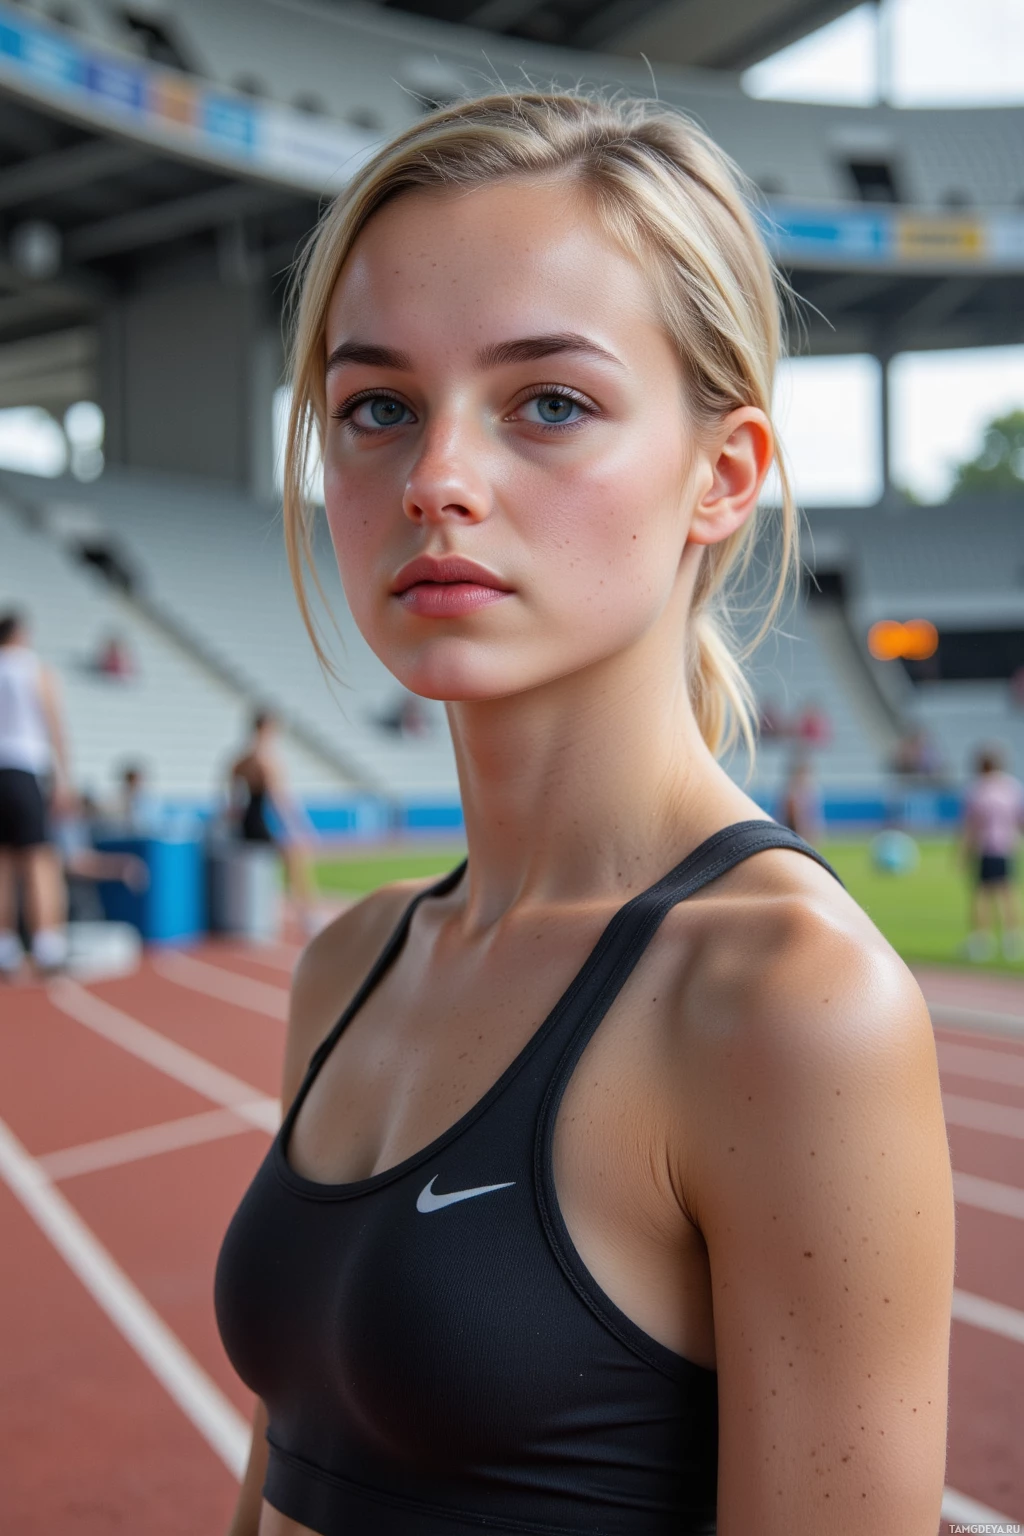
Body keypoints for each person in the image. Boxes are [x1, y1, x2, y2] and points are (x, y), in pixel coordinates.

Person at [215, 92, 953, 1536]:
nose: (436, 480)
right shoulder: (353, 963)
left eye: (547, 402)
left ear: (722, 477)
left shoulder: (788, 1003)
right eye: (378, 407)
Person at [0, 610, 71, 976]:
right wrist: (64, 777)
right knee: (40, 861)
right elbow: (54, 722)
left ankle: (5, 949)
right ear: (22, 634)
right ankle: (48, 948)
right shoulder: (33, 668)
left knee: (4, 864)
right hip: (25, 768)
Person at [228, 710, 319, 934]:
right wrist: (299, 828)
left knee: (289, 856)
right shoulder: (267, 761)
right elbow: (280, 799)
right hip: (260, 823)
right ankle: (306, 914)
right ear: (266, 729)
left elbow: (232, 803)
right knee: (297, 856)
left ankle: (295, 910)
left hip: (247, 823)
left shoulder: (241, 760)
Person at [961, 745, 1024, 961]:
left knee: (982, 896)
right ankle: (1012, 941)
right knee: (1008, 894)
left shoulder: (978, 789)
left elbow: (971, 825)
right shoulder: (1012, 787)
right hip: (1007, 847)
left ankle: (981, 942)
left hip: (986, 847)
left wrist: (963, 853)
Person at [778, 754, 823, 846]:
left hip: (797, 827)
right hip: (794, 828)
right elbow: (793, 814)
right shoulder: (793, 790)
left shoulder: (806, 788)